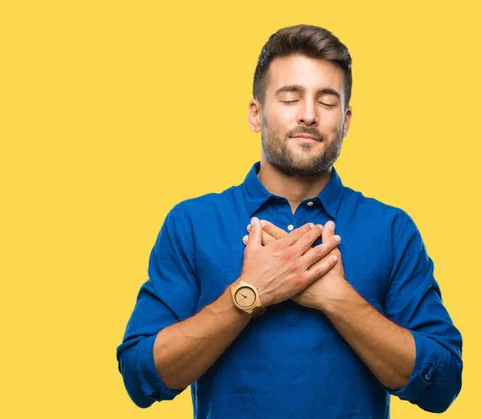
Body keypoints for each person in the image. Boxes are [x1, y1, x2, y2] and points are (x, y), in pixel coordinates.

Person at [116, 24, 463, 418]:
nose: (309, 115)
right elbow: (140, 377)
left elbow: (444, 384)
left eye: (327, 101)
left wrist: (339, 300)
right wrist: (250, 294)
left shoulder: (392, 229)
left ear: (346, 122)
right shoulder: (192, 224)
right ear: (256, 113)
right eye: (290, 98)